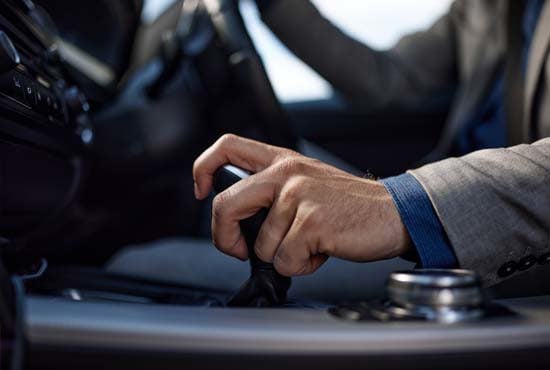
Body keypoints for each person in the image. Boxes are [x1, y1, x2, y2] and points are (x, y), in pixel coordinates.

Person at [191, 0, 550, 288]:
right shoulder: (484, 6)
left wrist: (405, 207)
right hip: (438, 236)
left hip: (512, 254)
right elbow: (389, 81)